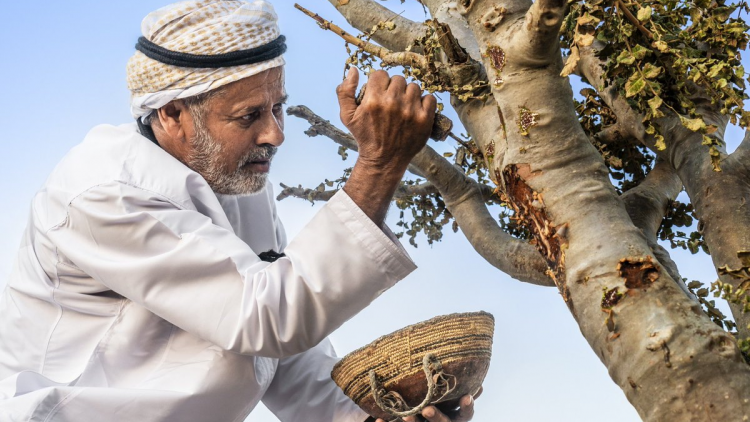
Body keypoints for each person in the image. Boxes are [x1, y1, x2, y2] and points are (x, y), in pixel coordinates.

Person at [0, 1, 478, 421]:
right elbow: (263, 317)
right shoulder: (103, 193)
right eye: (249, 116)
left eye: (278, 108)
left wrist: (366, 418)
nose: (275, 134)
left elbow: (275, 353)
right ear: (171, 113)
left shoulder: (234, 174)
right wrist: (378, 164)